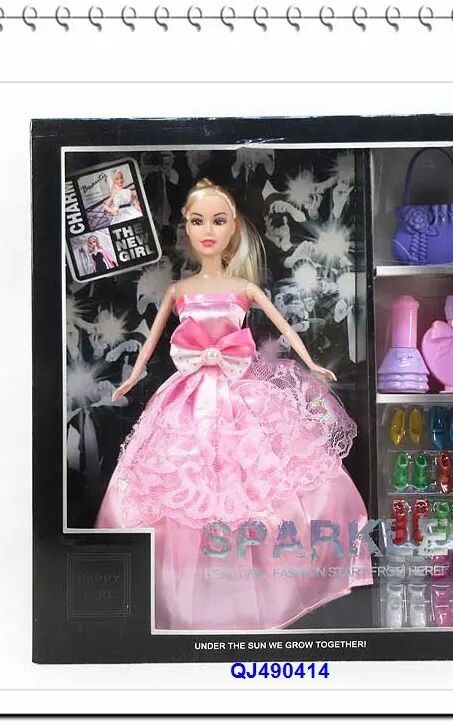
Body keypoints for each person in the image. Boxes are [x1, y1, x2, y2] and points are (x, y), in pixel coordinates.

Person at [95, 178, 373, 630]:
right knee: (182, 488)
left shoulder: (243, 288)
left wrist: (312, 364)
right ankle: (187, 598)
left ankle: (264, 589)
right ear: (186, 227)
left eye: (218, 221)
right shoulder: (179, 291)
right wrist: (131, 378)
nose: (208, 231)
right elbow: (150, 344)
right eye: (198, 221)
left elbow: (285, 328)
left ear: (233, 228)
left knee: (256, 483)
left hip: (239, 394)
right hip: (187, 399)